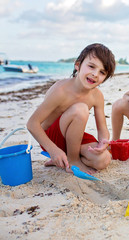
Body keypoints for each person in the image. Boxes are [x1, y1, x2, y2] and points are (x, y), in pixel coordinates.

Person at [27, 43, 116, 174]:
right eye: (91, 66)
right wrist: (53, 150)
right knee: (81, 109)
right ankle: (73, 160)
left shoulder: (97, 96)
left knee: (103, 160)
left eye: (102, 72)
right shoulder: (61, 91)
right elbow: (32, 124)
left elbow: (103, 129)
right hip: (52, 138)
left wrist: (103, 143)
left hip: (74, 138)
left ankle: (64, 159)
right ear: (78, 65)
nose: (95, 74)